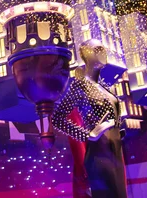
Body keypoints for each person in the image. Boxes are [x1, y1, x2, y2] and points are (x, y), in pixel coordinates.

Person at [53, 39, 128, 198]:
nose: (103, 53)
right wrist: (87, 135)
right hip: (99, 151)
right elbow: (58, 118)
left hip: (115, 149)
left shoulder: (104, 87)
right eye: (98, 49)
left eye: (103, 49)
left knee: (120, 194)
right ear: (87, 54)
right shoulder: (80, 85)